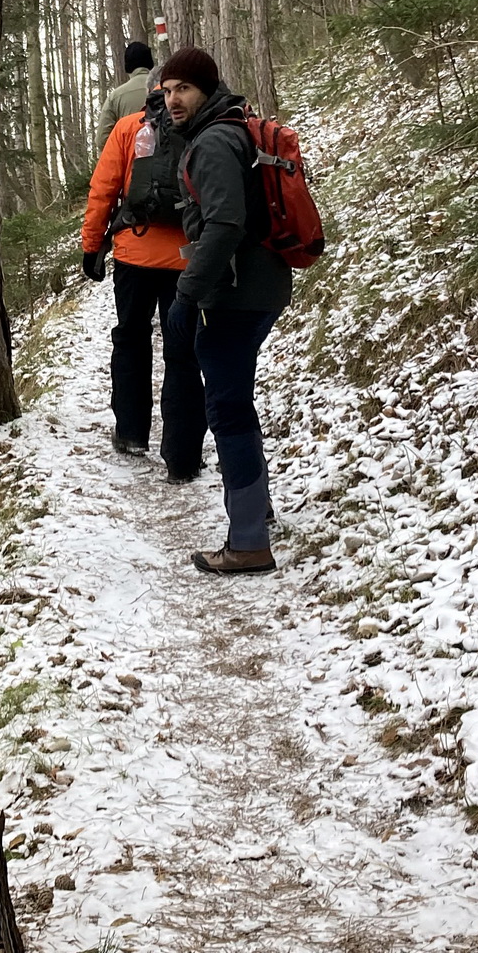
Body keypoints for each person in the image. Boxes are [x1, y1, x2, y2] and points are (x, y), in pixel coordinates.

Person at [158, 47, 292, 574]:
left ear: (206, 91)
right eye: (167, 90)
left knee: (228, 410)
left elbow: (224, 225)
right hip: (257, 287)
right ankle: (255, 510)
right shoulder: (232, 130)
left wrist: (188, 294)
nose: (173, 100)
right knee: (236, 403)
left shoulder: (213, 141)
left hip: (234, 295)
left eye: (183, 89)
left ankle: (250, 543)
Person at [79, 67, 206, 481]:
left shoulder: (128, 127)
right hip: (186, 260)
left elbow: (104, 189)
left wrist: (91, 245)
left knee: (131, 340)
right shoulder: (200, 129)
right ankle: (183, 456)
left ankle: (132, 433)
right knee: (182, 352)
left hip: (134, 253)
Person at [94, 41, 155, 151]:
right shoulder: (167, 90)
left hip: (130, 162)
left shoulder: (115, 96)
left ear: (127, 66)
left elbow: (101, 140)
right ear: (150, 63)